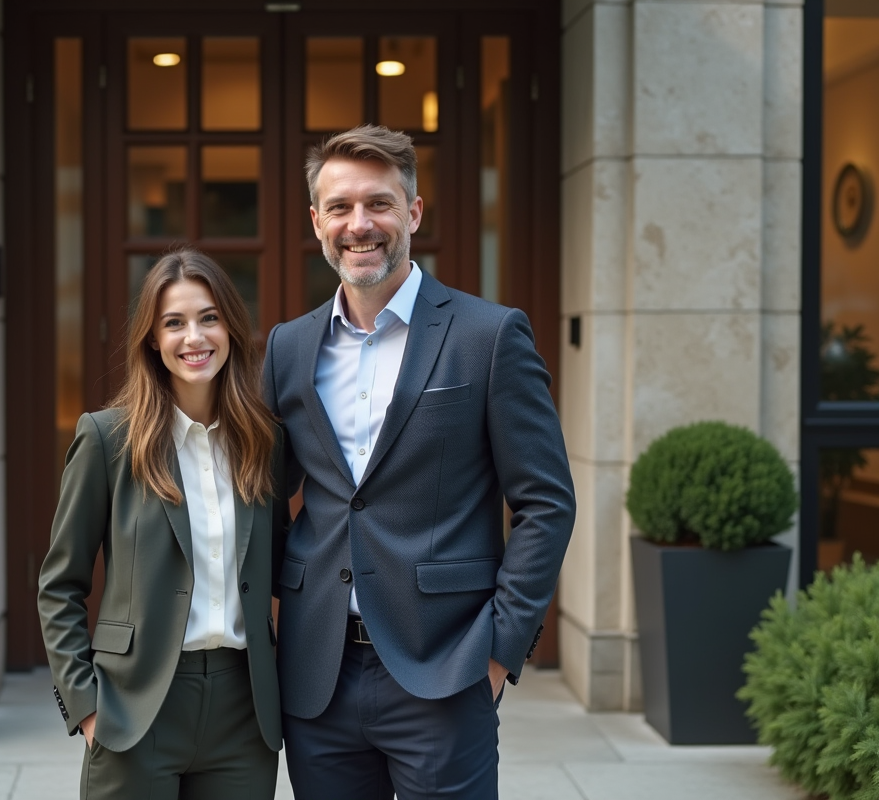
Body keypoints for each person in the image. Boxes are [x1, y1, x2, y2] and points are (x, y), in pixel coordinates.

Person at [263, 124, 576, 800]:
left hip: (446, 668)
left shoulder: (489, 336)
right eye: (340, 207)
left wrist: (500, 649)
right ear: (316, 222)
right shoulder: (286, 348)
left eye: (378, 203)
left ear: (414, 212)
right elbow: (261, 499)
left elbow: (546, 502)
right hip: (317, 678)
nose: (359, 224)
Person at [39, 248, 285, 800]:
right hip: (137, 707)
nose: (193, 337)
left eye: (209, 318)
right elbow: (59, 585)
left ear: (231, 327)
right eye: (174, 323)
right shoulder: (107, 440)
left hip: (244, 712)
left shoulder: (265, 442)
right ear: (153, 338)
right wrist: (86, 707)